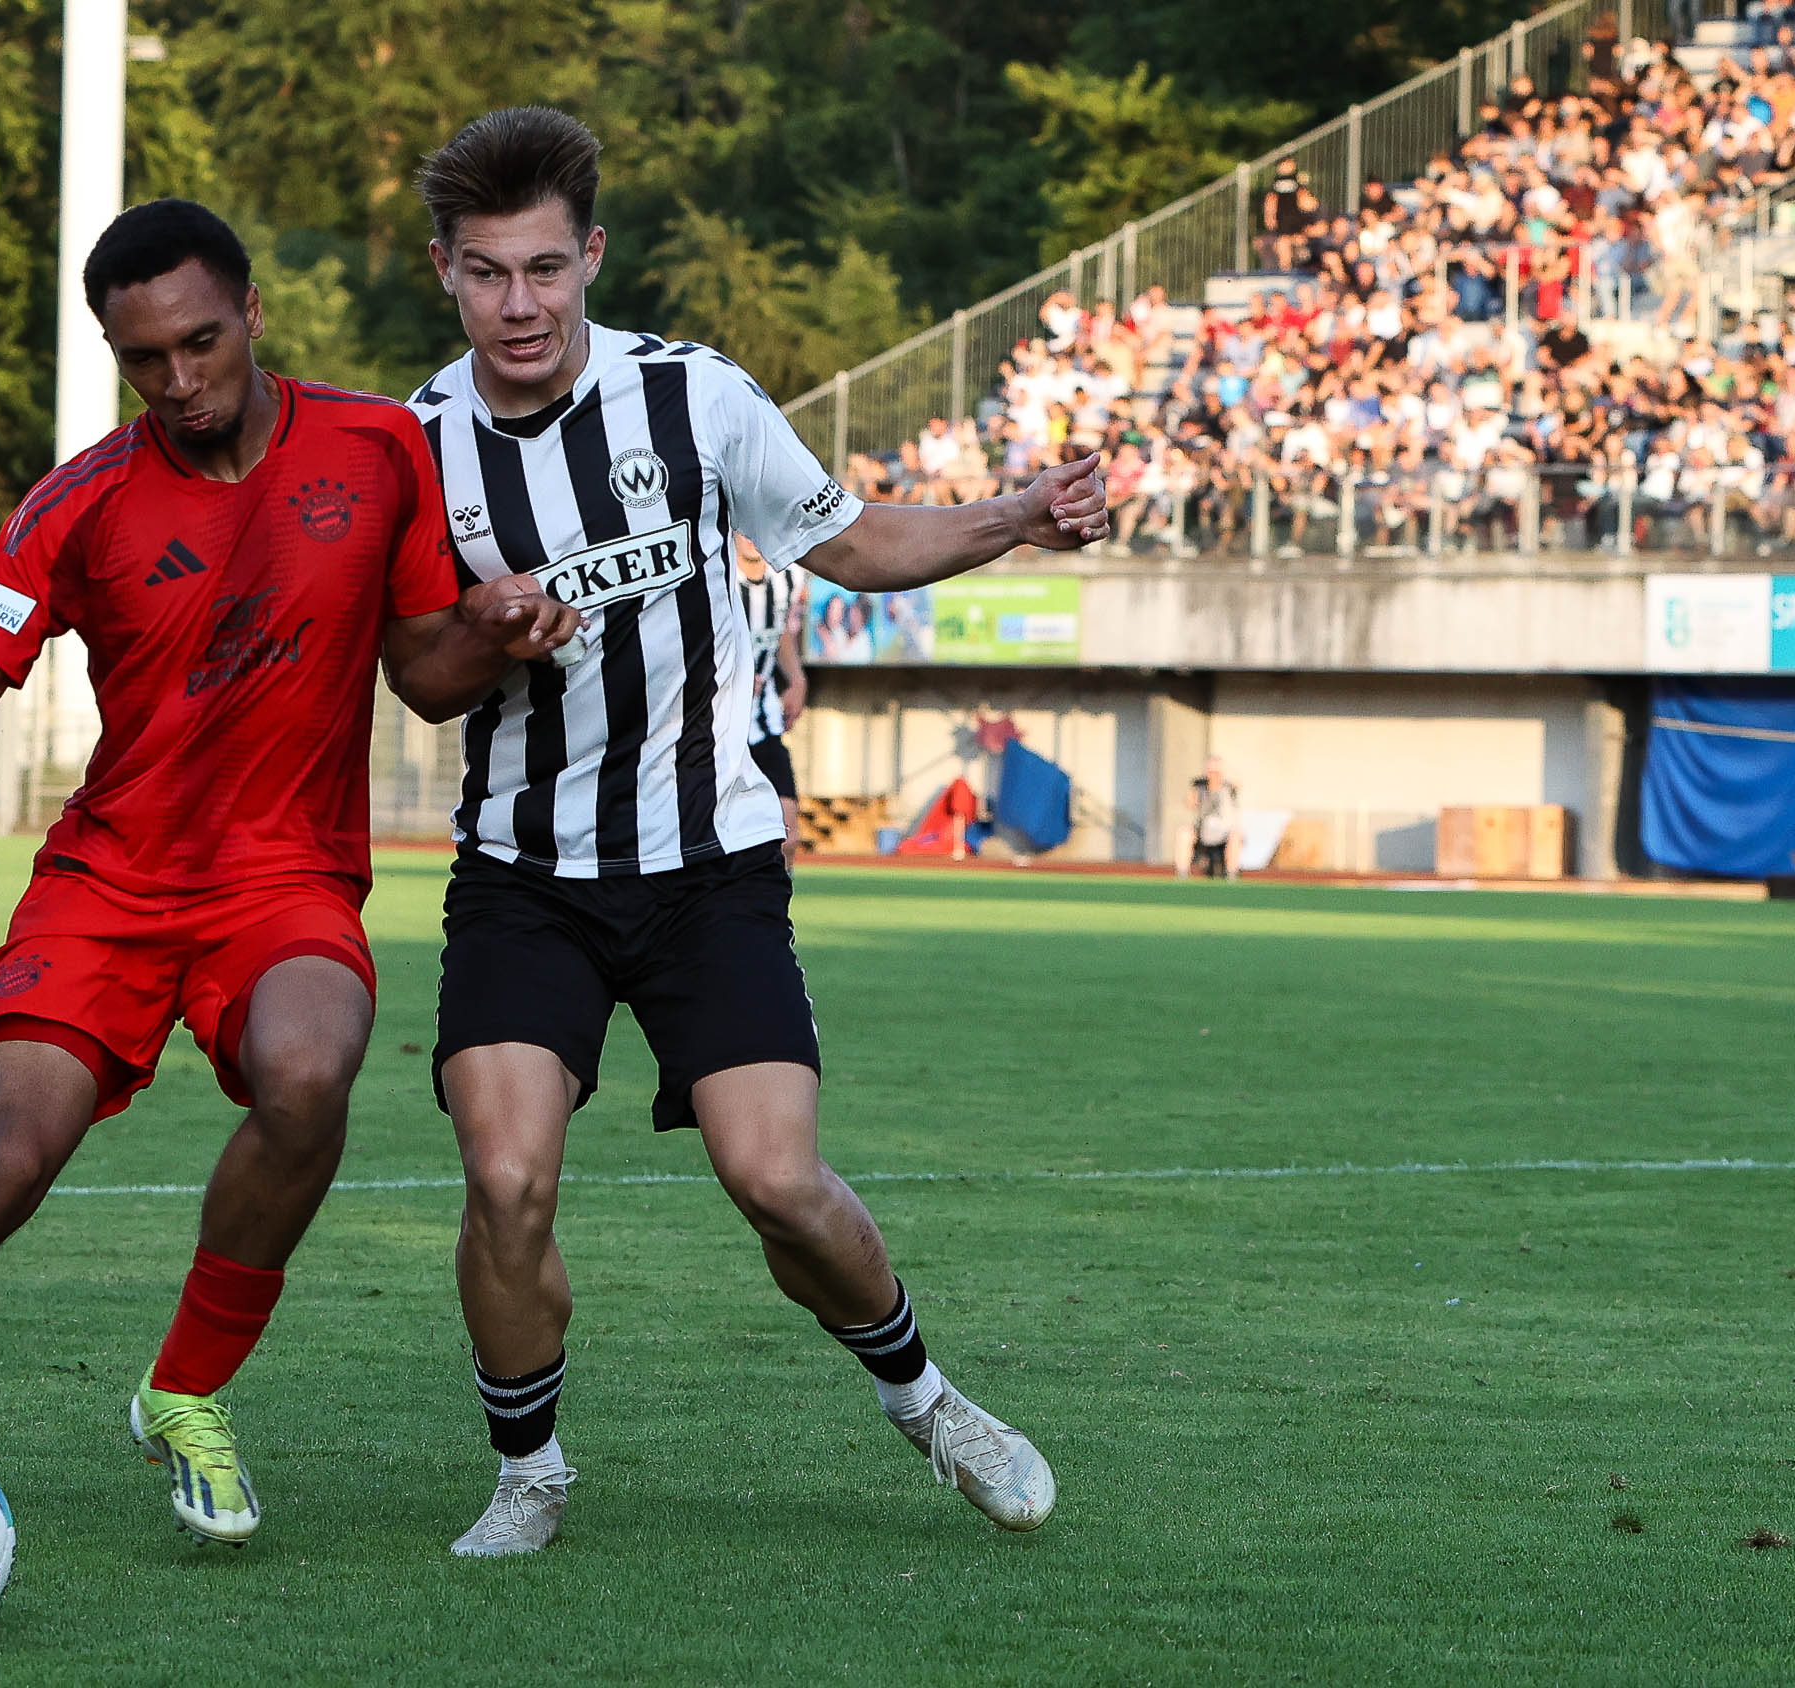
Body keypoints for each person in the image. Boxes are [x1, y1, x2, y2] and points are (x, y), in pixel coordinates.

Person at [0, 199, 576, 1560]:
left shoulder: (378, 447)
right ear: (115, 355)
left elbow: (426, 673)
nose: (182, 382)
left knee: (313, 1073)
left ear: (254, 312)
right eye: (148, 361)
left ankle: (186, 1385)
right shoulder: (77, 503)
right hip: (109, 885)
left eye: (202, 343)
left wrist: (506, 630)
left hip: (285, 880)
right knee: (5, 1156)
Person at [403, 108, 1102, 1558]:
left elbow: (854, 541)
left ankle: (926, 1402)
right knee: (505, 1176)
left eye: (546, 268)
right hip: (526, 872)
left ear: (592, 254)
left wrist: (1014, 513)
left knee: (775, 1178)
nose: (521, 305)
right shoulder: (422, 448)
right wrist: (490, 635)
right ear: (445, 274)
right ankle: (527, 1472)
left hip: (710, 864)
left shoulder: (698, 400)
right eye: (488, 275)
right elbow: (417, 678)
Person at [732, 534, 808, 863]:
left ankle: (776, 914)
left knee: (788, 835)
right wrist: (728, 679)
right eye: (742, 529)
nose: (751, 537)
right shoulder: (717, 577)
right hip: (715, 731)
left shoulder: (789, 576)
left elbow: (781, 632)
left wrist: (797, 680)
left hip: (763, 724)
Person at [1179, 755, 1242, 879]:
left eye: (1216, 772)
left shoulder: (1228, 788)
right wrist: (1195, 792)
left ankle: (1232, 875)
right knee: (1184, 833)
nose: (1213, 775)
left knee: (1236, 836)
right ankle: (1182, 874)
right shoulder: (1200, 788)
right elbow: (1190, 804)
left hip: (1223, 833)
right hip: (1203, 832)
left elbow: (1238, 786)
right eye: (1210, 771)